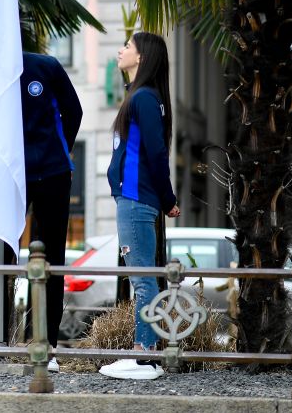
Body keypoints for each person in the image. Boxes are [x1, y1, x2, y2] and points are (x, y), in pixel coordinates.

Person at [99, 32, 180, 381]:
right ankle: (144, 353)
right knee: (145, 278)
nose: (121, 50)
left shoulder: (144, 98)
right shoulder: (143, 96)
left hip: (135, 200)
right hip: (135, 198)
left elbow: (156, 152)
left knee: (143, 279)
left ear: (142, 57)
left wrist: (168, 198)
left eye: (128, 47)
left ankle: (145, 356)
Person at [20, 51, 82, 373]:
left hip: (52, 173)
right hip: (11, 174)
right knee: (1, 252)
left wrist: (61, 149)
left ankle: (46, 343)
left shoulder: (45, 66)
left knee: (50, 258)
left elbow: (74, 110)